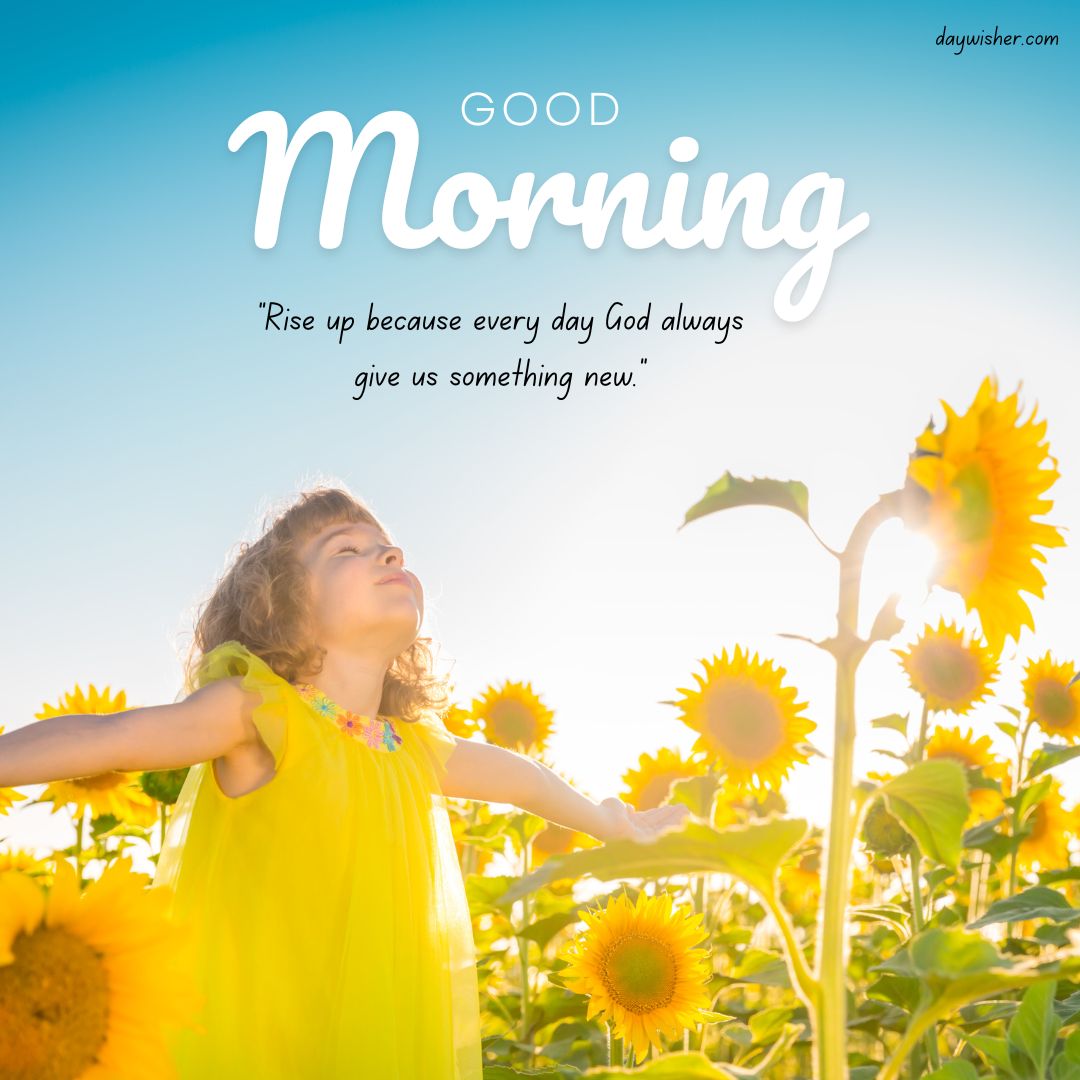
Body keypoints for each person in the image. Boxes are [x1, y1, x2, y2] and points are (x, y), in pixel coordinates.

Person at [0, 484, 688, 1077]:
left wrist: (615, 821)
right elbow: (106, 736)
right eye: (347, 550)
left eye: (391, 549)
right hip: (260, 1046)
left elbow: (526, 782)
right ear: (283, 607)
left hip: (376, 1044)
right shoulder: (260, 713)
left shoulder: (412, 747)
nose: (390, 556)